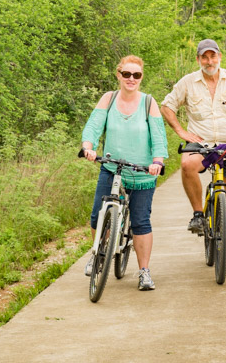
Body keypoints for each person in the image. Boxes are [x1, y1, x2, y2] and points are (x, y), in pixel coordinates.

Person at [161, 38, 226, 271]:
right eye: (204, 57)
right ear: (198, 59)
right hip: (202, 145)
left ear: (219, 57)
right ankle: (198, 214)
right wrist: (181, 131)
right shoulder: (188, 82)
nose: (209, 61)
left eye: (213, 56)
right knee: (187, 165)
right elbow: (167, 106)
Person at [81, 55, 169, 290]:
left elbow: (158, 135)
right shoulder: (108, 99)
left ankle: (144, 272)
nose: (131, 79)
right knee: (97, 215)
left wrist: (157, 161)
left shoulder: (148, 102)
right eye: (127, 74)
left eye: (136, 75)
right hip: (112, 166)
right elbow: (94, 125)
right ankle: (98, 254)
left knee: (140, 222)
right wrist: (88, 146)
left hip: (141, 172)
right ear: (119, 75)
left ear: (141, 78)